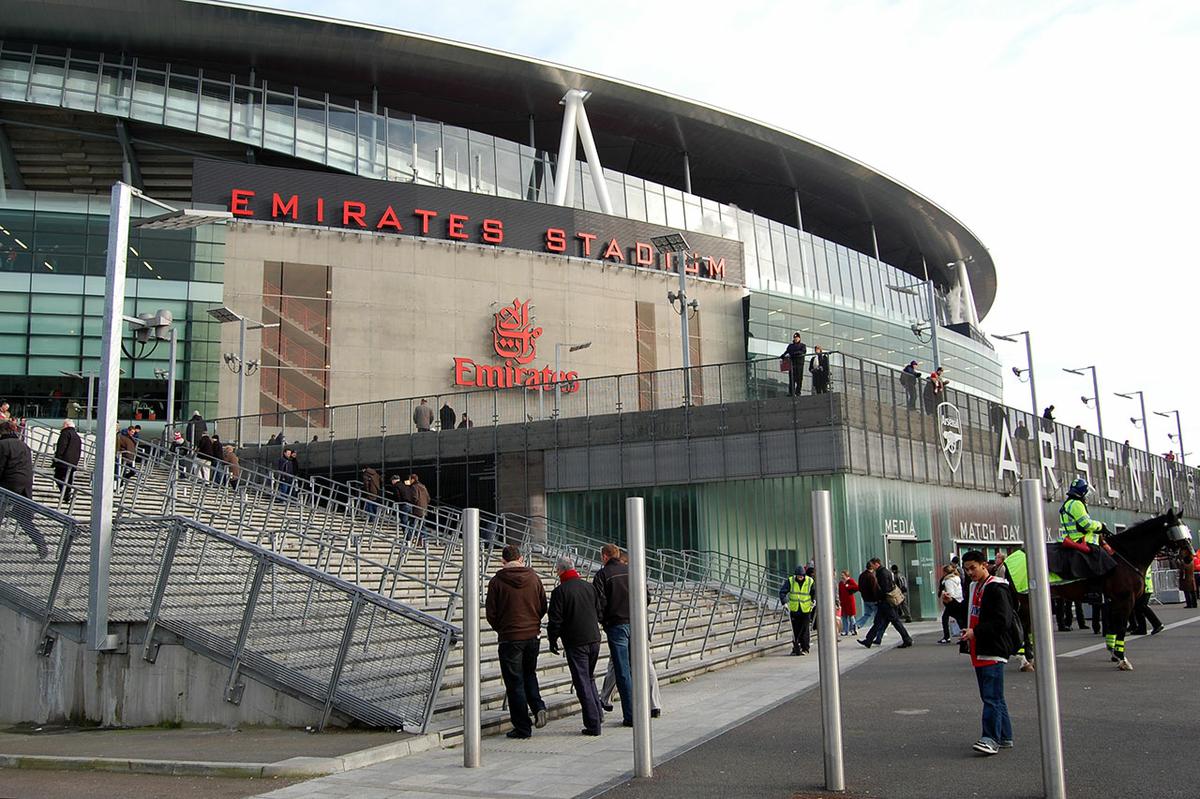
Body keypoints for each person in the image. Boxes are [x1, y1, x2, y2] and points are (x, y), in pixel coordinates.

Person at [485, 543, 549, 739]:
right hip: (532, 636)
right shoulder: (534, 578)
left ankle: (522, 727)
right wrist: (533, 623)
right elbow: (543, 606)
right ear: (520, 559)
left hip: (510, 638)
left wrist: (502, 629)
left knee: (514, 682)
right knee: (529, 674)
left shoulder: (496, 582)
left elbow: (491, 614)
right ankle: (538, 706)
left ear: (503, 561)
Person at [959, 549, 1016, 755]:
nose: (970, 573)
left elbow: (1003, 621)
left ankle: (990, 737)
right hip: (979, 648)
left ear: (984, 564)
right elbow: (968, 611)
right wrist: (953, 605)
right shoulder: (975, 586)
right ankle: (1004, 736)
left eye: (973, 568)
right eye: (966, 570)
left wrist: (976, 631)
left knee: (991, 697)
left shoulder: (996, 588)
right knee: (994, 697)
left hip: (992, 649)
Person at [547, 554, 604, 736]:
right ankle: (598, 714)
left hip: (576, 641)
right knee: (589, 677)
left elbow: (555, 620)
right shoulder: (589, 587)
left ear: (561, 570)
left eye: (557, 570)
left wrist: (552, 640)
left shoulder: (560, 592)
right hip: (593, 638)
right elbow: (599, 610)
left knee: (582, 682)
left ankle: (593, 724)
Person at [594, 543, 635, 726]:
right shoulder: (631, 571)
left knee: (622, 671)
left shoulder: (602, 575)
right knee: (638, 668)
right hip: (636, 623)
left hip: (616, 625)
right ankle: (640, 711)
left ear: (604, 557)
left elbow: (599, 604)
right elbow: (647, 597)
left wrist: (605, 621)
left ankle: (631, 715)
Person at [0, 419, 47, 559]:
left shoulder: (2, 445)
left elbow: (0, 467)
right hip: (24, 486)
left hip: (8, 485)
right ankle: (41, 544)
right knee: (24, 519)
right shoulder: (23, 445)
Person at [859, 558, 913, 649]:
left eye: (872, 565)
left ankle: (907, 639)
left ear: (876, 564)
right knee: (879, 621)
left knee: (894, 621)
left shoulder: (881, 573)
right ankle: (868, 640)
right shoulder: (885, 572)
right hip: (886, 601)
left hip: (886, 602)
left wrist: (879, 597)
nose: (871, 567)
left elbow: (884, 588)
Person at [1058, 478, 1105, 554]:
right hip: (1082, 541)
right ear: (1083, 493)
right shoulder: (1077, 504)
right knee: (1105, 560)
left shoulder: (1067, 504)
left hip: (1071, 539)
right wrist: (1100, 526)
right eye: (1087, 493)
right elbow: (1087, 524)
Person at [779, 564, 815, 655]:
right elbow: (783, 592)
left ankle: (805, 648)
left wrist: (814, 600)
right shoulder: (791, 581)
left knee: (805, 629)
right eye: (799, 576)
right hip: (794, 609)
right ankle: (796, 647)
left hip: (806, 609)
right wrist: (784, 602)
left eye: (802, 576)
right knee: (795, 630)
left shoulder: (810, 581)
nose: (800, 578)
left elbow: (814, 592)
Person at [52, 418, 82, 502]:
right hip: (73, 463)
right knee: (68, 479)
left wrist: (56, 459)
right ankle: (67, 494)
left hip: (63, 462)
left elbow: (61, 447)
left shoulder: (65, 434)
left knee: (58, 476)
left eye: (63, 424)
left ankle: (65, 494)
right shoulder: (77, 436)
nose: (62, 426)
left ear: (66, 425)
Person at [1128, 568, 1164, 636]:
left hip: (1145, 588)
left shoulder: (1143, 565)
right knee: (1138, 608)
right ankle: (1142, 628)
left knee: (1142, 606)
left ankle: (1156, 624)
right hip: (1146, 587)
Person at [937, 564, 963, 643]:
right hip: (959, 600)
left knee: (945, 618)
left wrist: (945, 594)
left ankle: (946, 636)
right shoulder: (957, 578)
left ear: (945, 572)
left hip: (952, 602)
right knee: (959, 619)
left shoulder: (948, 581)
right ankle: (963, 635)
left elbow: (950, 593)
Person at [856, 560, 879, 631]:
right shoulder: (871, 576)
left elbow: (859, 587)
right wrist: (877, 598)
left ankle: (857, 624)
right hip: (873, 599)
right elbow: (874, 588)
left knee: (867, 614)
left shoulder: (861, 575)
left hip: (865, 598)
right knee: (877, 615)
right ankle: (877, 629)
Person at [837, 570, 859, 637]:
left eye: (843, 575)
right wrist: (839, 600)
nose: (842, 576)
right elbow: (840, 592)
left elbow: (857, 587)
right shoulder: (841, 583)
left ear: (846, 575)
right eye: (841, 575)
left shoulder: (850, 581)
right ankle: (845, 630)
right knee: (844, 617)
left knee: (851, 616)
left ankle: (853, 629)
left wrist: (848, 586)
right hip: (843, 602)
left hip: (850, 601)